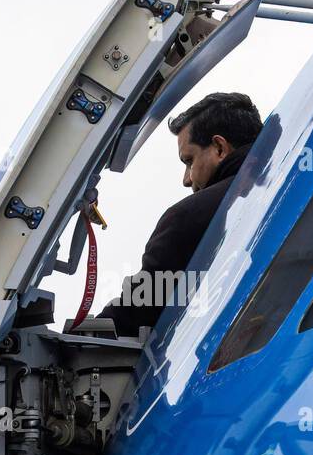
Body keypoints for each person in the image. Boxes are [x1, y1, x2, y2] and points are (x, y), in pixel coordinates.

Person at [100, 92, 262, 336]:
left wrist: (79, 338)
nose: (186, 180)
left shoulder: (189, 216)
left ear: (219, 147)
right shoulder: (293, 179)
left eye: (189, 160)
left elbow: (137, 311)